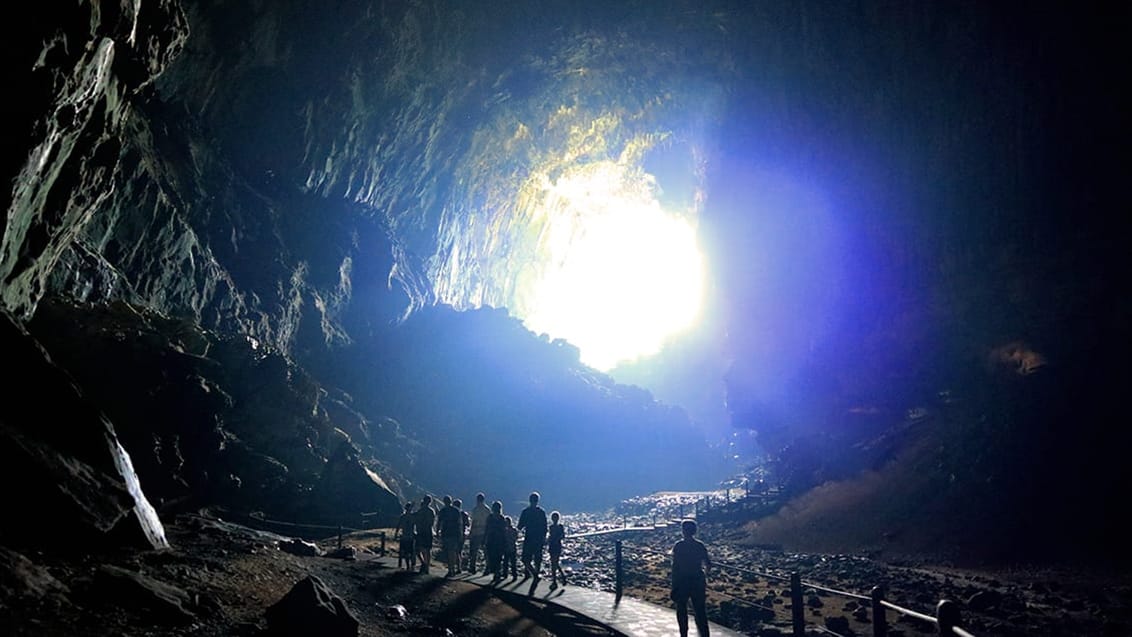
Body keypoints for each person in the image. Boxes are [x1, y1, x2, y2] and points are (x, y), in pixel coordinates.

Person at [671, 519, 711, 637]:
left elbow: (675, 567)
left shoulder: (678, 546)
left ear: (683, 531)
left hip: (682, 581)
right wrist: (704, 575)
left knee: (682, 609)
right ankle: (704, 634)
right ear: (695, 531)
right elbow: (708, 564)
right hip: (697, 580)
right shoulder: (700, 545)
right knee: (700, 610)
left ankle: (684, 634)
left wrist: (674, 585)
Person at [516, 491, 548, 579]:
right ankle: (535, 573)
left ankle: (529, 573)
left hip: (529, 538)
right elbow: (545, 527)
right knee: (537, 559)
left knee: (526, 558)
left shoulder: (525, 512)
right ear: (538, 501)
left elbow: (520, 526)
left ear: (529, 500)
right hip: (538, 539)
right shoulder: (541, 512)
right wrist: (544, 538)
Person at [437, 495, 462, 576]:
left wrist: (437, 532)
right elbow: (460, 523)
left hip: (446, 533)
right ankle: (452, 568)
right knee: (452, 551)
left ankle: (451, 568)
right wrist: (460, 534)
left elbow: (439, 522)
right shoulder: (456, 510)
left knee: (448, 552)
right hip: (454, 534)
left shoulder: (443, 511)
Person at [466, 492, 491, 573]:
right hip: (484, 532)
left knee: (474, 551)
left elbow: (474, 522)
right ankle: (488, 567)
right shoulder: (487, 509)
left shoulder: (475, 509)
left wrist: (471, 533)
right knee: (486, 551)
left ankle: (472, 567)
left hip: (476, 532)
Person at [484, 500, 507, 583]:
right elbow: (504, 531)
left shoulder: (490, 517)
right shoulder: (502, 518)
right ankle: (497, 573)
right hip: (499, 541)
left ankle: (494, 572)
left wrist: (484, 540)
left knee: (492, 557)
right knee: (498, 558)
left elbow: (486, 529)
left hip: (491, 540)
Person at [414, 495, 437, 573]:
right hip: (426, 532)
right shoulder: (430, 511)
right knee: (425, 550)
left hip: (422, 532)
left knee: (421, 549)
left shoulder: (421, 511)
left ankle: (425, 565)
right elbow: (432, 522)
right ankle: (425, 565)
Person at [547, 510, 567, 589]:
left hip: (555, 545)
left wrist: (553, 539)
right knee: (554, 563)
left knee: (554, 563)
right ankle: (561, 577)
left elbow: (561, 536)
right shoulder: (554, 527)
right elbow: (562, 536)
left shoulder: (555, 527)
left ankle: (555, 580)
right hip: (555, 545)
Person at [394, 501, 416, 571]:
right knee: (411, 552)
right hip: (410, 537)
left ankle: (408, 566)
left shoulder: (402, 517)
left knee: (406, 552)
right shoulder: (413, 517)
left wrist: (396, 534)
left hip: (404, 536)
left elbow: (398, 526)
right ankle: (412, 566)